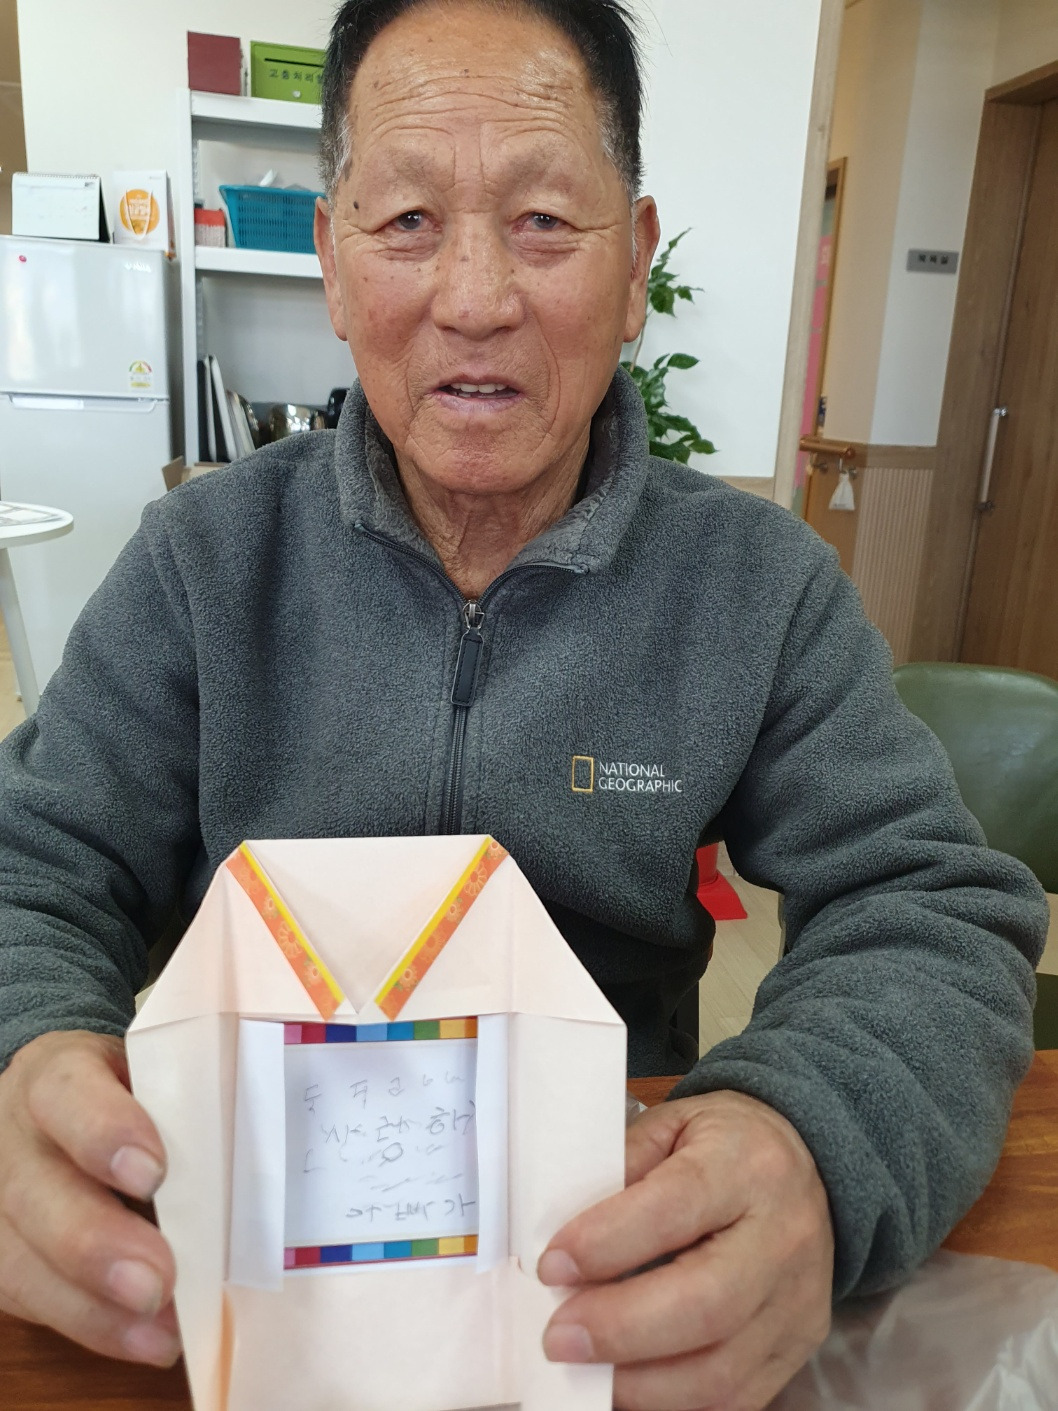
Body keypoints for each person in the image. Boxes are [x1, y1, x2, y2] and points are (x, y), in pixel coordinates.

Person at [0, 1, 1047, 1407]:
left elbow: (928, 907)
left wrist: (806, 1135)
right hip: (244, 1279)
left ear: (636, 263)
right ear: (332, 260)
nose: (476, 297)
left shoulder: (756, 588)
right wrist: (25, 1057)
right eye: (408, 221)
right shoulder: (204, 564)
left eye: (546, 221)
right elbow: (31, 865)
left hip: (604, 1279)